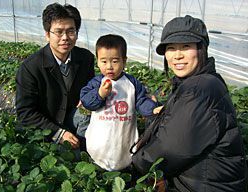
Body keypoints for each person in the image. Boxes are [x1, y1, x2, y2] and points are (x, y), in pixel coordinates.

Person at [132, 15, 247, 192]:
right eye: (171, 48)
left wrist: (136, 163)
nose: (177, 55)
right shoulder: (197, 82)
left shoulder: (200, 88)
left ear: (202, 49)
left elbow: (171, 148)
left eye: (186, 47)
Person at [15, 3, 94, 152]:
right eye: (59, 32)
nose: (65, 38)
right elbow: (25, 113)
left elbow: (90, 89)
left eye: (71, 31)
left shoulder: (85, 58)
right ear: (47, 34)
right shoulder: (30, 68)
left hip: (76, 120)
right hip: (46, 127)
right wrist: (58, 133)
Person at [80, 34, 161, 171]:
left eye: (115, 61)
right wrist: (100, 94)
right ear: (98, 62)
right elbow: (87, 102)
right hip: (100, 137)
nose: (109, 67)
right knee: (98, 165)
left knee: (123, 156)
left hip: (123, 134)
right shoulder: (96, 83)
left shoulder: (132, 83)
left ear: (124, 61)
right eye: (104, 61)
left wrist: (152, 109)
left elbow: (141, 101)